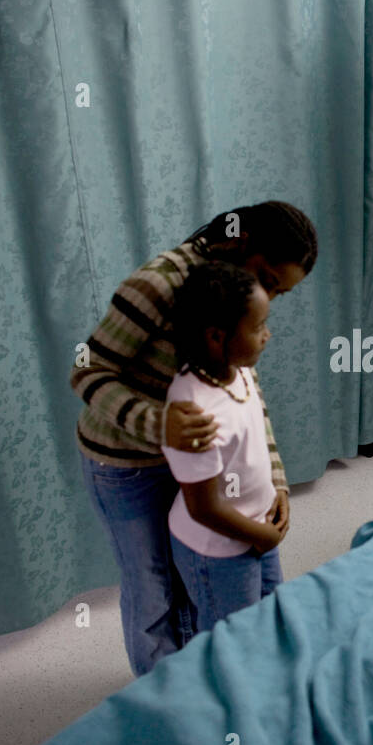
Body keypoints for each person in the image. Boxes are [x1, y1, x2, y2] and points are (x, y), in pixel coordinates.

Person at [72, 201, 317, 676]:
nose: (267, 297)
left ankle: (195, 685)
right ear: (239, 242)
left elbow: (245, 390)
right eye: (267, 278)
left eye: (277, 293)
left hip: (185, 459)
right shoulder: (159, 284)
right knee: (152, 587)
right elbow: (85, 368)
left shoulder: (240, 299)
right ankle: (162, 703)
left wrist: (277, 478)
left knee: (192, 581)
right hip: (124, 464)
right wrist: (157, 423)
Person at [160, 262, 285, 631]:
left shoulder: (239, 370)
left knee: (266, 622)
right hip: (218, 550)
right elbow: (204, 508)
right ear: (216, 337)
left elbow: (255, 445)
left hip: (255, 532)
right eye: (259, 327)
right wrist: (260, 535)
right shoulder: (193, 410)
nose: (268, 335)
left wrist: (277, 491)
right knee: (229, 642)